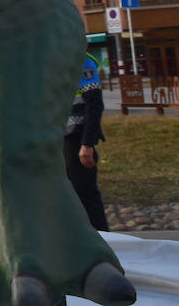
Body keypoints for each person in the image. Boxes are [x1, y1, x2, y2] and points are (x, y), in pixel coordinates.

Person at [65, 53, 109, 231]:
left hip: (79, 137)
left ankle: (104, 240)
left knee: (85, 192)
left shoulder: (81, 60)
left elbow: (95, 104)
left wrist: (87, 143)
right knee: (72, 195)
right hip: (64, 137)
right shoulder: (55, 60)